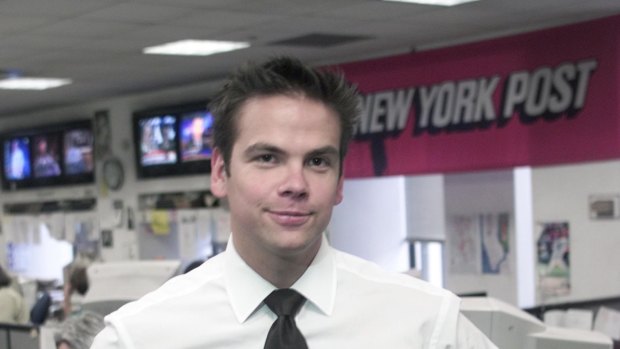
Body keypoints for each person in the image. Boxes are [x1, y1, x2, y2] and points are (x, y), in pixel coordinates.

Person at [91, 56, 497, 348]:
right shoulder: (139, 337)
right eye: (267, 158)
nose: (296, 184)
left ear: (340, 181)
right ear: (220, 172)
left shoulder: (426, 324)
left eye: (318, 161)